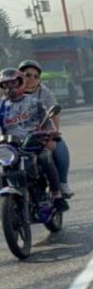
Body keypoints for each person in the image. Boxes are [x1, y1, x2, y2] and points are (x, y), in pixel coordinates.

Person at [0, 68, 67, 210]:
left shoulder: (34, 102)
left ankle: (57, 194)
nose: (10, 87)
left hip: (33, 144)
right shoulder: (1, 106)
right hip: (10, 147)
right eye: (6, 84)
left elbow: (48, 124)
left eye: (13, 83)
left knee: (45, 158)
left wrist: (50, 132)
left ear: (21, 82)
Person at [19, 60, 72, 197]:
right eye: (27, 75)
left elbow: (54, 115)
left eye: (35, 76)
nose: (31, 79)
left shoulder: (45, 93)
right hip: (14, 138)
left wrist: (53, 134)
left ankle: (62, 184)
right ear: (20, 76)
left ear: (39, 79)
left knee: (59, 147)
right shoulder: (9, 94)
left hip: (37, 136)